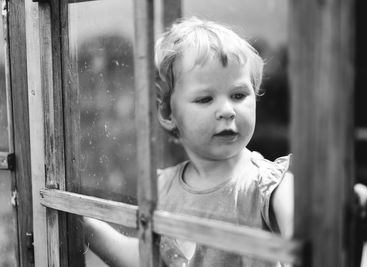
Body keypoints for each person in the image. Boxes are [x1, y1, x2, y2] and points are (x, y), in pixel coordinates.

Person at [84, 17, 294, 267]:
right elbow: (146, 259)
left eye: (239, 95)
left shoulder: (269, 183)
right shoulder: (162, 188)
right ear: (167, 113)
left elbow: (305, 233)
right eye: (205, 99)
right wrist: (86, 228)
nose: (227, 110)